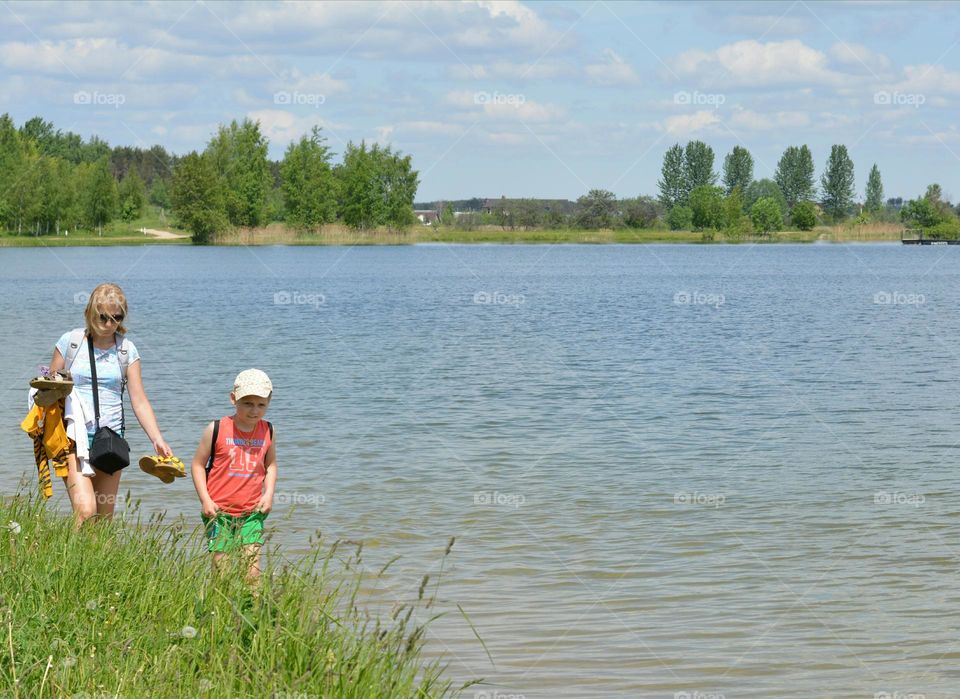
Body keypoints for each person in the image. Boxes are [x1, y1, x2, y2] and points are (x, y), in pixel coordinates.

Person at [48, 282, 171, 524]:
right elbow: (48, 387)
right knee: (85, 510)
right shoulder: (71, 342)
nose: (109, 324)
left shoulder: (126, 350)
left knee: (102, 520)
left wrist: (157, 438)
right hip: (73, 436)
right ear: (90, 313)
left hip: (110, 440)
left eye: (116, 317)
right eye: (103, 317)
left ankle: (90, 562)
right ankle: (67, 562)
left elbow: (139, 400)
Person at [190, 369, 277, 582]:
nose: (254, 410)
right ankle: (220, 610)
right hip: (218, 512)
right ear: (233, 399)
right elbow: (197, 465)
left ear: (268, 402)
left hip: (252, 512)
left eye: (261, 404)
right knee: (223, 572)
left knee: (253, 573)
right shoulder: (217, 429)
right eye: (247, 403)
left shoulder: (268, 430)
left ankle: (253, 612)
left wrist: (269, 495)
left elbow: (271, 465)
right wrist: (205, 500)